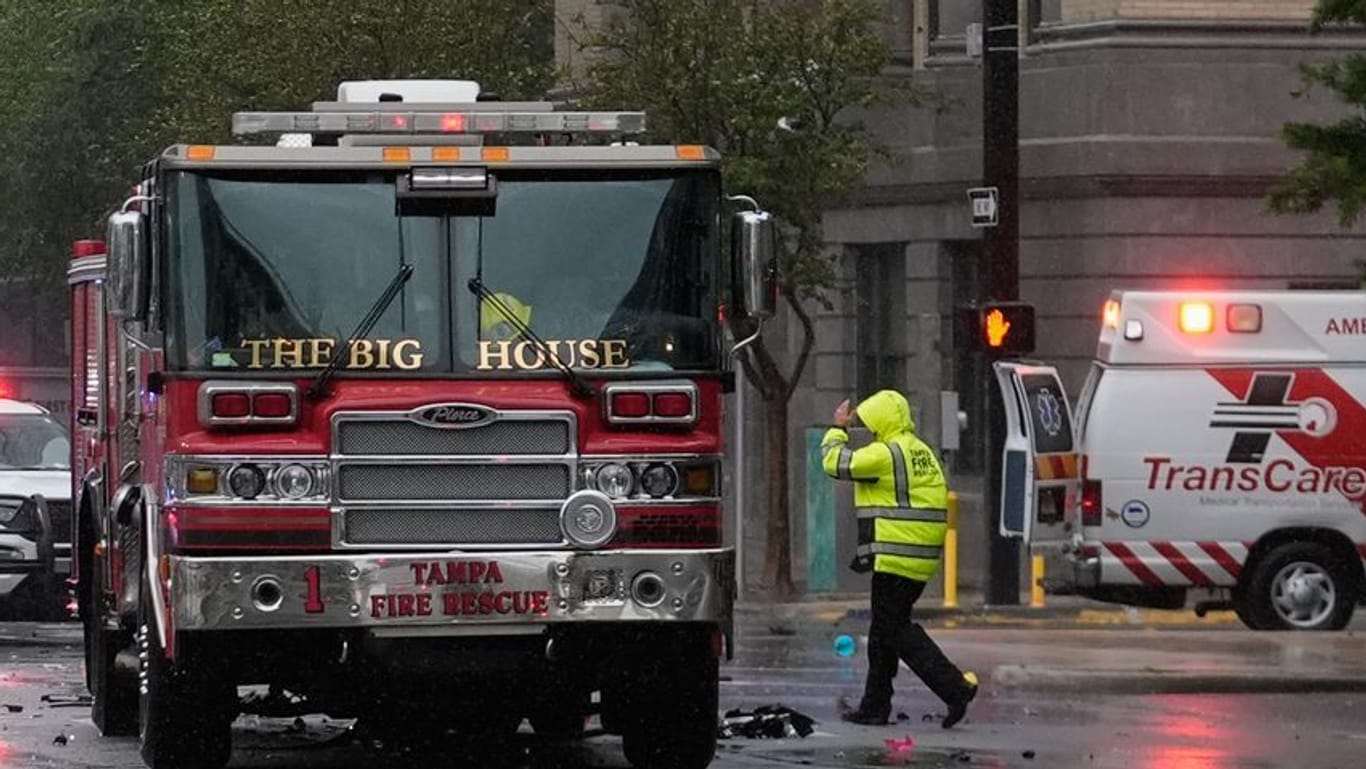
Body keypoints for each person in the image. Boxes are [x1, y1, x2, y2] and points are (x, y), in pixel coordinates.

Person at [821, 390, 978, 728]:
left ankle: (954, 688)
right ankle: (875, 707)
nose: (869, 430)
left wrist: (837, 429)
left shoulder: (886, 453)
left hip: (898, 554)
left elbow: (834, 464)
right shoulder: (920, 449)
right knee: (882, 632)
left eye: (870, 423)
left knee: (894, 630)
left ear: (880, 421)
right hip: (917, 555)